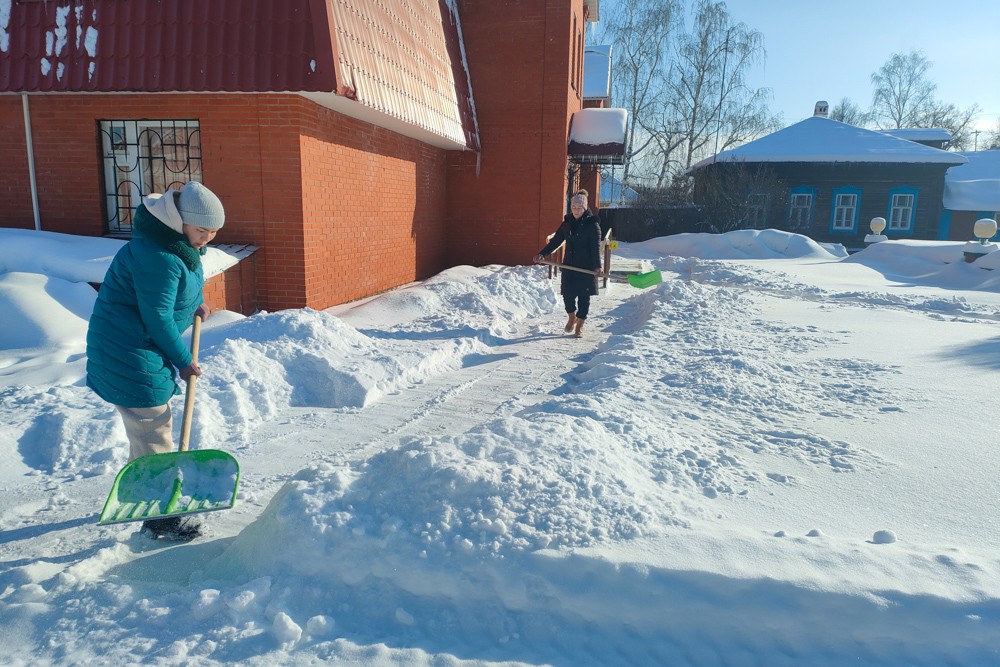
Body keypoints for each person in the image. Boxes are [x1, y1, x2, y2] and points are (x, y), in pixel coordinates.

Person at [86, 181, 225, 541]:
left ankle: (144, 489)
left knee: (147, 430)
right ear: (181, 221)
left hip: (135, 346)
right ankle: (161, 517)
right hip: (128, 353)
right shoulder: (159, 256)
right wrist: (183, 360)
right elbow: (158, 318)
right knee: (152, 425)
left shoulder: (170, 244)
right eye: (202, 230)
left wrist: (193, 304)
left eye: (213, 232)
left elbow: (168, 293)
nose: (207, 238)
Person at [533, 192, 602, 337]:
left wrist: (597, 266)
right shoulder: (567, 223)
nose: (576, 210)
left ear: (585, 208)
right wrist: (542, 254)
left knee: (584, 298)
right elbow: (556, 241)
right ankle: (572, 317)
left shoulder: (592, 225)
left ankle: (580, 325)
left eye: (579, 207)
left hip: (586, 267)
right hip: (569, 266)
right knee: (567, 295)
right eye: (574, 207)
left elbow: (595, 248)